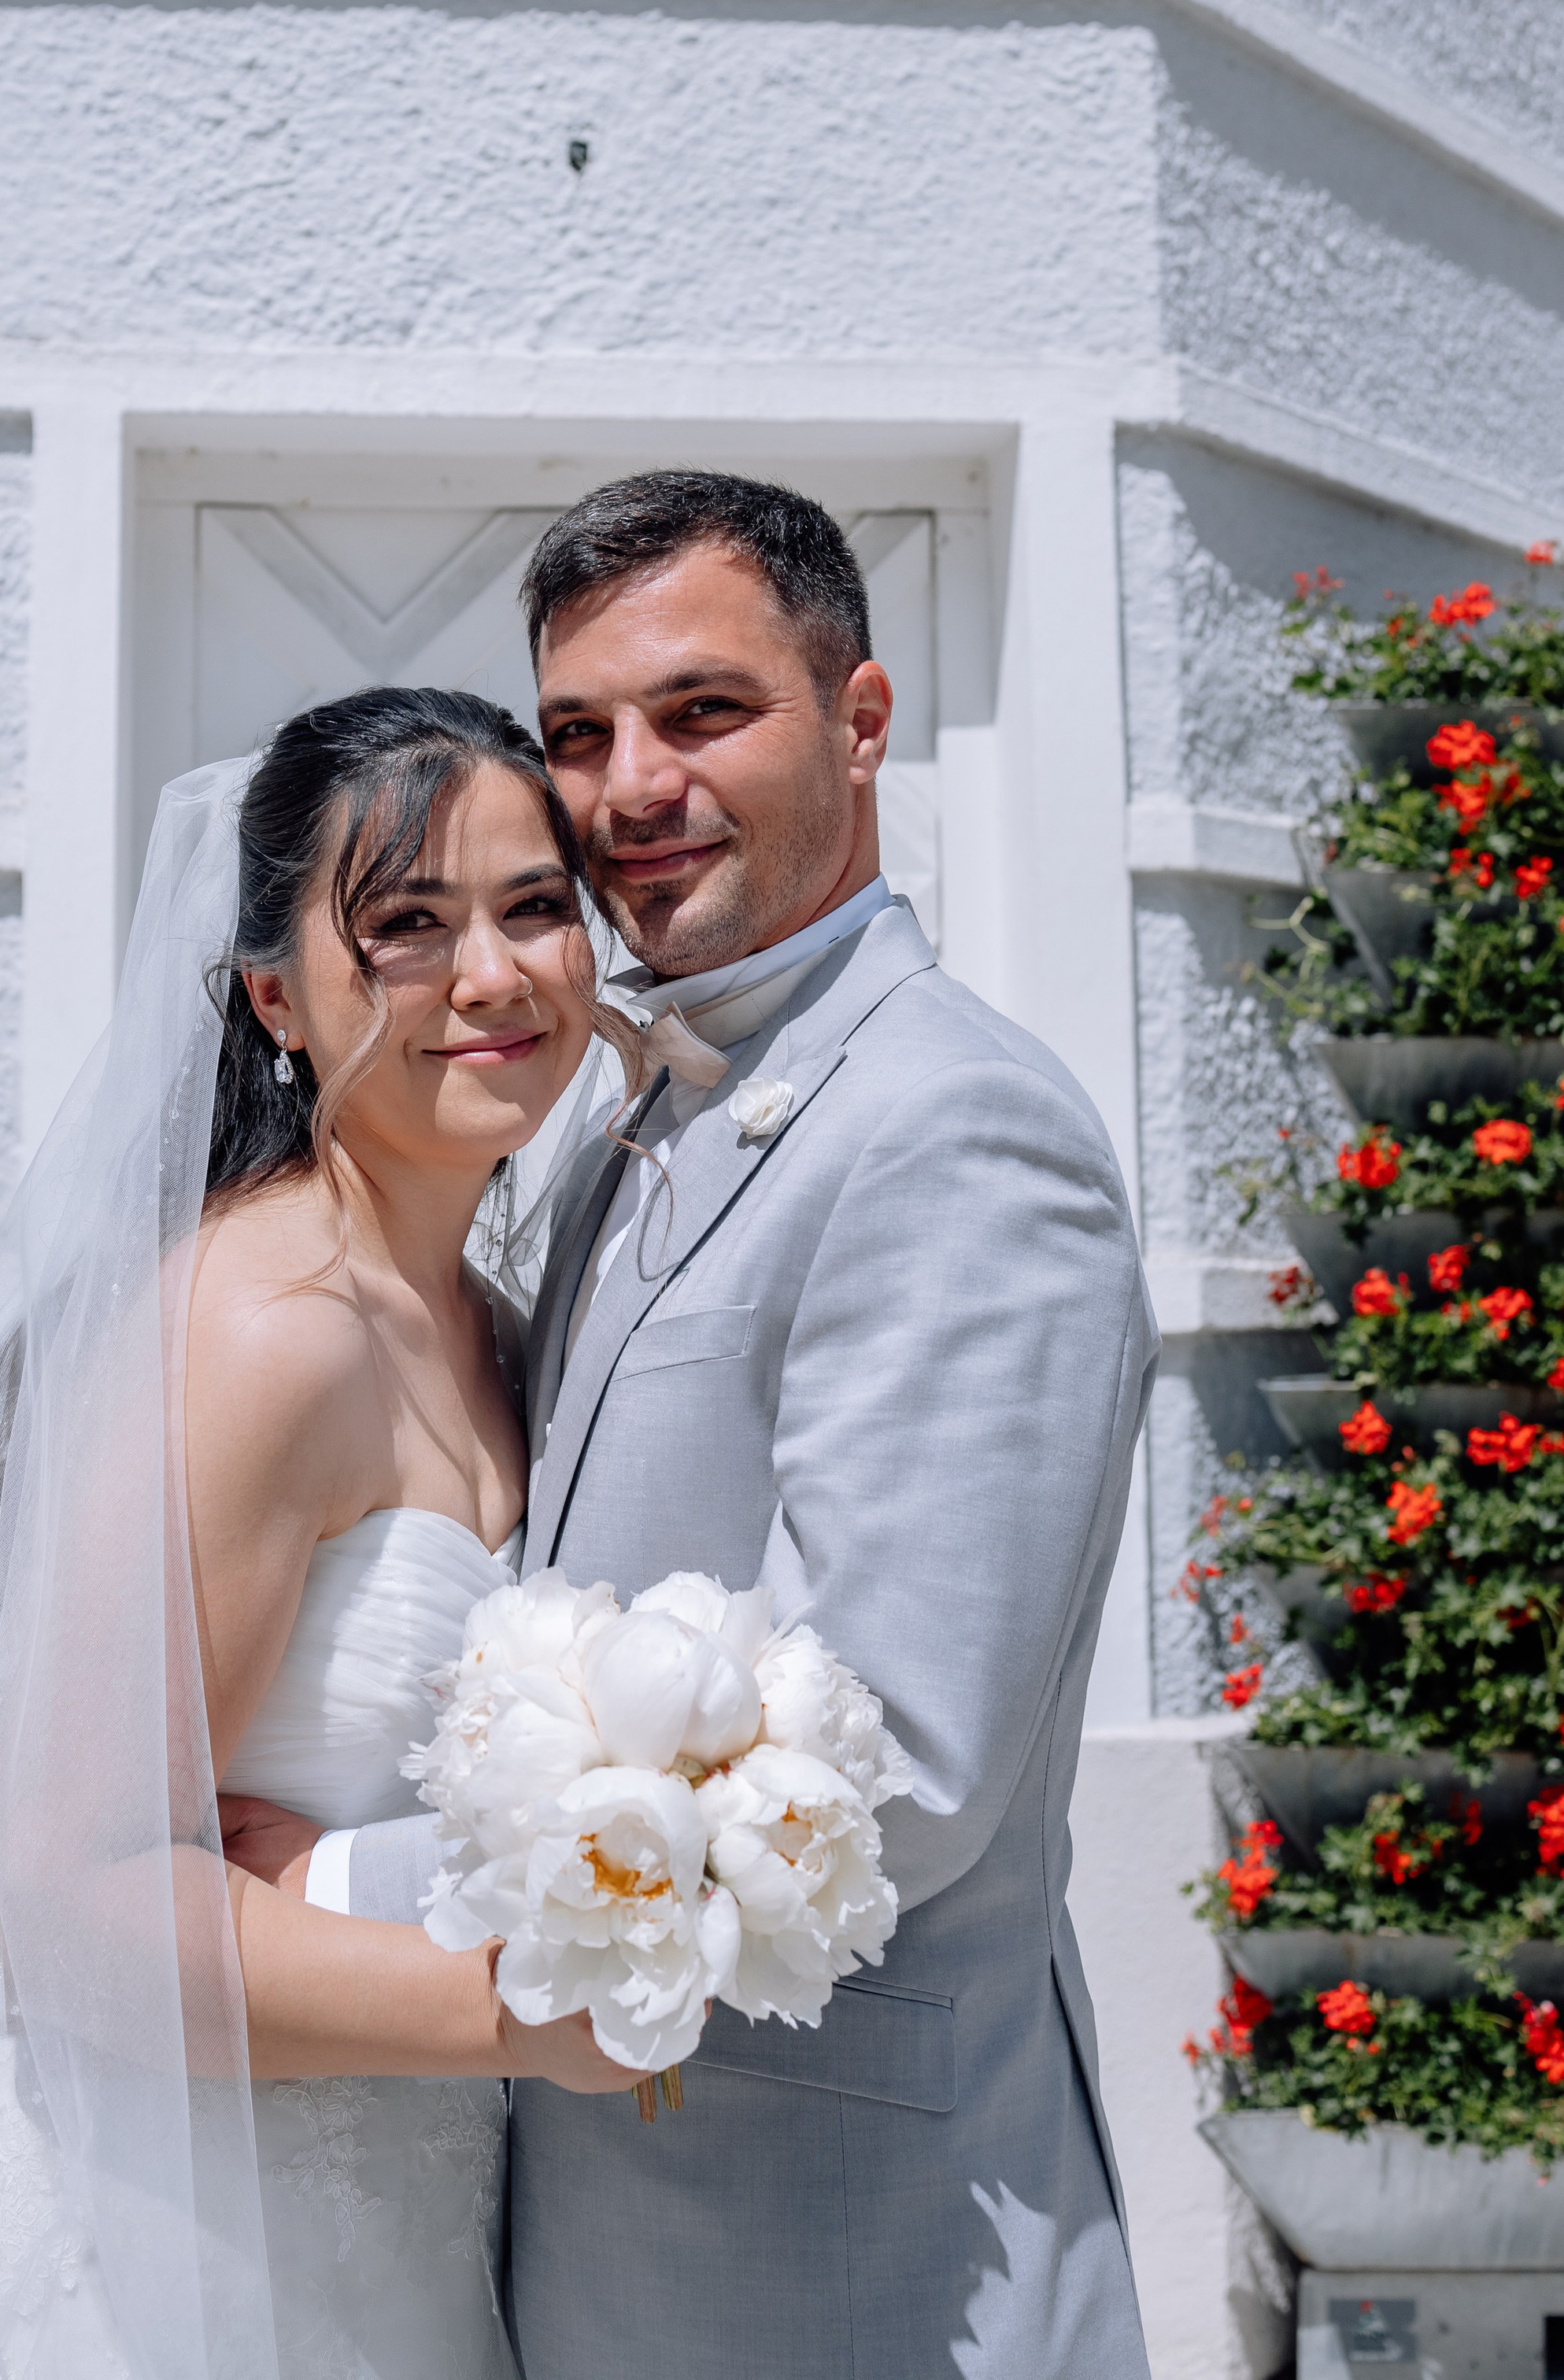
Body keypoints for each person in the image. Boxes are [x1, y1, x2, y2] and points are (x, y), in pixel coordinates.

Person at [227, 472, 1158, 2380]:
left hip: (842, 2263)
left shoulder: (953, 1136)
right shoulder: (606, 1117)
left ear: (862, 717)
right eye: (579, 733)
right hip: (551, 2237)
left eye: (702, 711)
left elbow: (882, 1769)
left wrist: (326, 1884)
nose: (626, 783)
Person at [0, 688, 638, 2380]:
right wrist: (527, 2017)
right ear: (275, 996)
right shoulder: (268, 1328)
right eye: (404, 925)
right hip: (169, 2253)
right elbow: (64, 1904)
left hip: (391, 2231)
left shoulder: (481, 1315)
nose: (489, 977)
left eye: (533, 907)